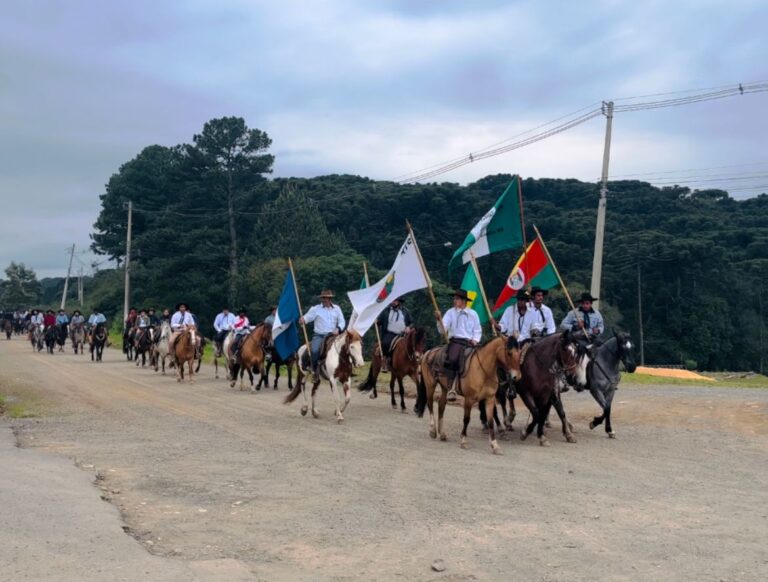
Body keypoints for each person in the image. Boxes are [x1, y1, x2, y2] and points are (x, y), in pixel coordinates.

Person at [438, 289, 482, 401]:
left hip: (470, 342)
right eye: (454, 298)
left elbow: (477, 330)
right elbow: (442, 330)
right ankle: (451, 387)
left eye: (457, 299)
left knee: (480, 360)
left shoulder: (473, 314)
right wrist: (439, 320)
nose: (454, 301)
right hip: (455, 341)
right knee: (452, 359)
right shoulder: (450, 312)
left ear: (464, 301)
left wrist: (475, 340)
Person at [299, 289, 346, 374]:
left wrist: (338, 328)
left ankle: (347, 368)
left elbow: (342, 321)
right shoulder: (315, 309)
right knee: (315, 350)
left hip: (333, 335)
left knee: (347, 347)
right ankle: (314, 369)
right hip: (319, 335)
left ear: (330, 299)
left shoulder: (337, 309)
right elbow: (307, 317)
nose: (324, 299)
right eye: (323, 298)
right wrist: (303, 320)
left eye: (326, 298)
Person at [376, 297, 412, 372]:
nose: (393, 302)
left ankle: (414, 361)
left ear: (399, 302)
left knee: (414, 343)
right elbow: (379, 322)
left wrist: (409, 327)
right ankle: (385, 361)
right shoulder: (386, 311)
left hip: (403, 334)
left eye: (395, 300)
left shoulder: (405, 311)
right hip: (390, 333)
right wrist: (376, 321)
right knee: (385, 343)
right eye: (392, 300)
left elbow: (411, 322)